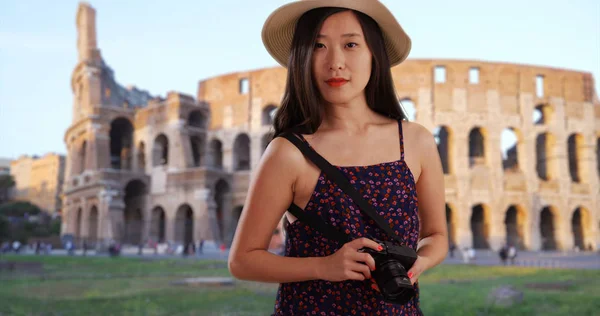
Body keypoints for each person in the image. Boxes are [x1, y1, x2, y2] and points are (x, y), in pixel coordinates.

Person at [228, 1, 448, 314]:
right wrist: (324, 266)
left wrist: (418, 262)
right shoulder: (288, 152)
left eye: (351, 44)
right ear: (303, 57)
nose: (335, 62)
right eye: (318, 45)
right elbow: (242, 260)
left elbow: (436, 235)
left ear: (374, 53)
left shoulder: (415, 141)